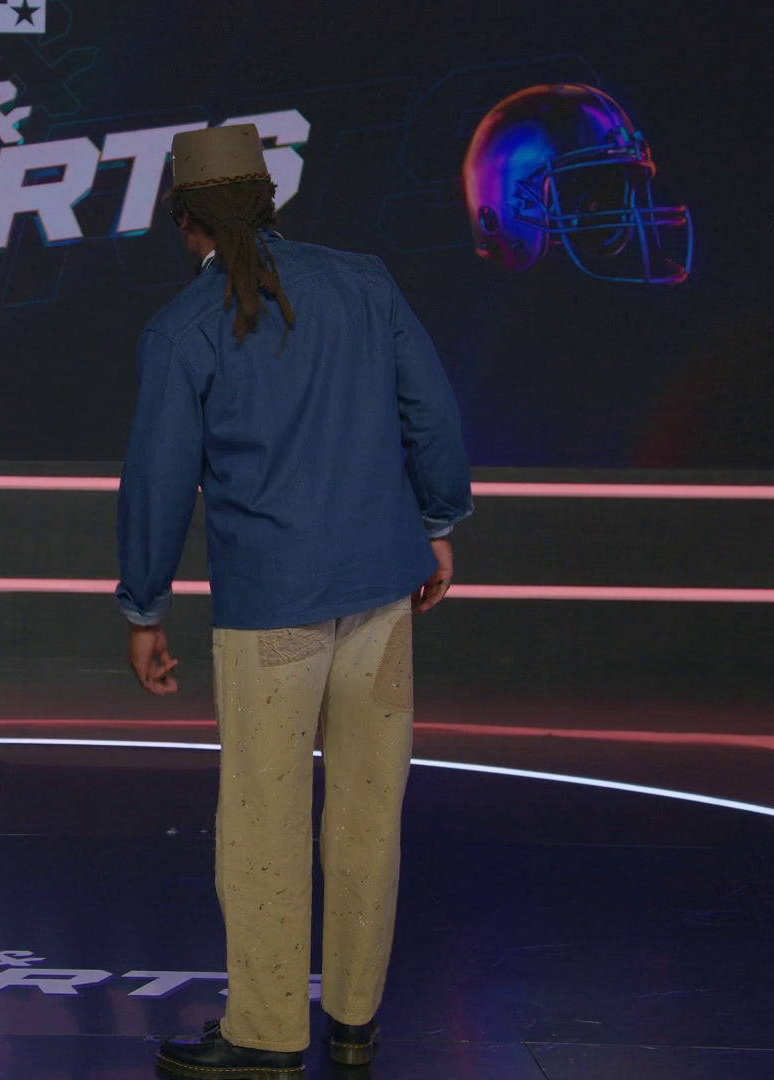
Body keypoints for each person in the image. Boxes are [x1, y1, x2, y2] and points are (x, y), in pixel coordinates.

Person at [117, 125, 472, 1077]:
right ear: (270, 197)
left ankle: (269, 1033)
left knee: (265, 818)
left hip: (271, 608)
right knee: (370, 811)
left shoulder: (180, 331)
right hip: (383, 593)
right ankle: (354, 1022)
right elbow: (431, 413)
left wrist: (144, 609)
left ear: (183, 220)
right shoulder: (364, 282)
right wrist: (439, 521)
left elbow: (157, 485)